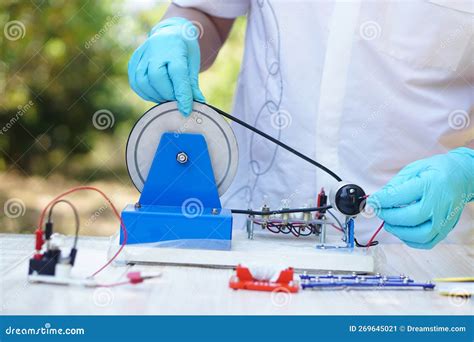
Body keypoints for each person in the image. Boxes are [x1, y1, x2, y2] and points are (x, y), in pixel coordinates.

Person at [128, 1, 473, 249]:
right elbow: (206, 11)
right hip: (254, 239)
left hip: (429, 253)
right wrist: (178, 31)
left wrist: (466, 172)